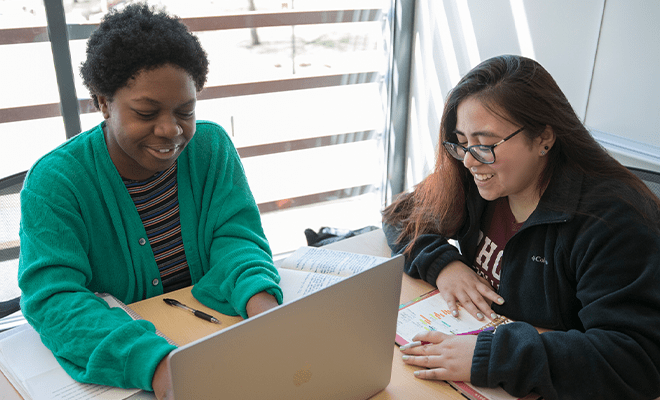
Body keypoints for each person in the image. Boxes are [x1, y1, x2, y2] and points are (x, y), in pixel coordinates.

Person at [18, 4, 282, 399]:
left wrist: (268, 314)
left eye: (185, 111)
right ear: (103, 102)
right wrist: (158, 366)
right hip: (132, 364)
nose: (170, 130)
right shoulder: (54, 183)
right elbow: (54, 299)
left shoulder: (211, 147)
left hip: (210, 338)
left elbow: (236, 237)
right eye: (146, 112)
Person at [383, 54, 660, 400]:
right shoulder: (479, 180)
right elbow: (401, 215)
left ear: (543, 138)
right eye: (462, 142)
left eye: (485, 144)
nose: (469, 160)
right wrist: (444, 265)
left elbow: (634, 358)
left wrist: (492, 356)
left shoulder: (612, 219)